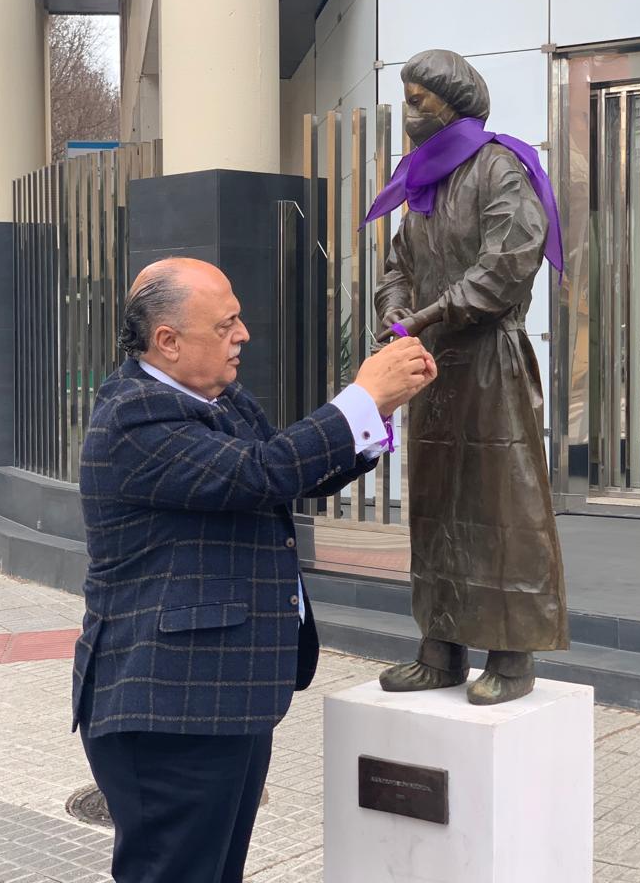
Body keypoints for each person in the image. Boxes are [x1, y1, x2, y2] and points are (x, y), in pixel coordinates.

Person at [71, 257, 436, 883]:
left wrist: (378, 416)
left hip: (222, 694)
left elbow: (280, 472)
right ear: (168, 340)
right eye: (227, 323)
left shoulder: (217, 398)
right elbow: (259, 472)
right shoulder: (132, 417)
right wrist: (362, 398)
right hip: (166, 707)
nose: (242, 334)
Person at [370, 49, 568, 705]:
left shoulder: (500, 168)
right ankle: (439, 650)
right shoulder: (421, 187)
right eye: (406, 96)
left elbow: (507, 264)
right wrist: (395, 306)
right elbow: (398, 263)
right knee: (434, 508)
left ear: (454, 103)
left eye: (420, 98)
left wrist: (426, 314)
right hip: (431, 367)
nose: (409, 111)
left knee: (500, 507)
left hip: (488, 363)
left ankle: (511, 656)